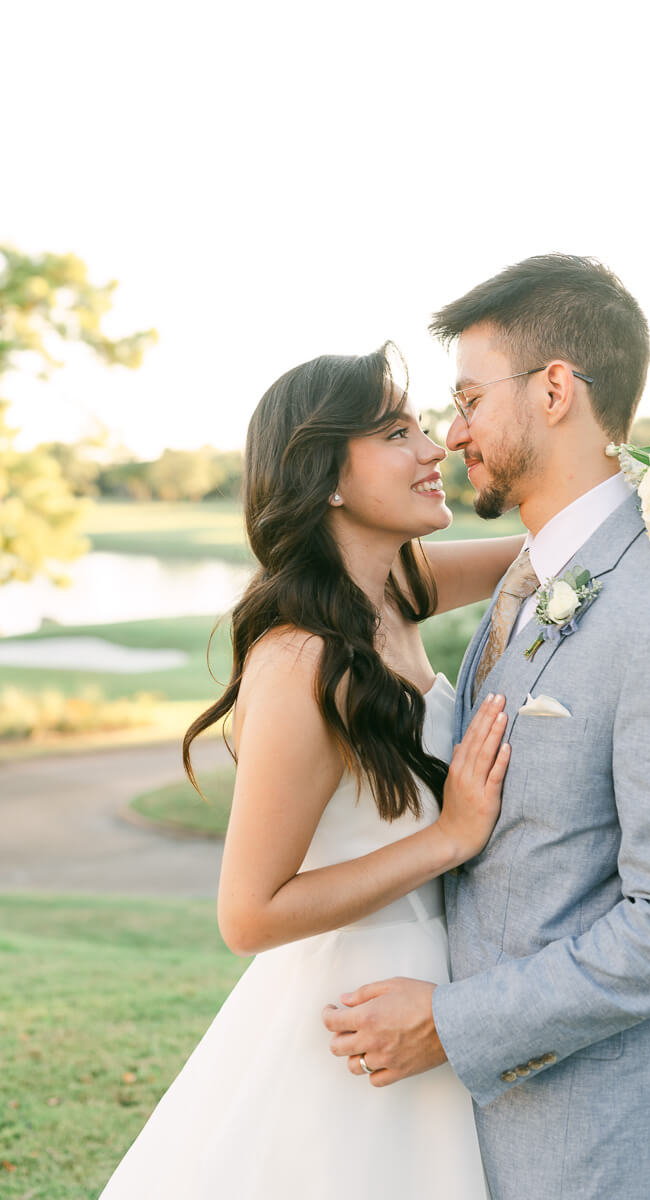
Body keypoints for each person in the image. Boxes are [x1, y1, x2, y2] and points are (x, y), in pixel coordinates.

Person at [323, 255, 650, 1200]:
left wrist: (453, 1022)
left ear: (555, 389)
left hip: (614, 1150)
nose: (453, 430)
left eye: (470, 397)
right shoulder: (530, 576)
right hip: (489, 1141)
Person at [98, 344, 526, 1199]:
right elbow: (249, 915)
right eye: (398, 432)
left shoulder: (397, 590)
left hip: (432, 988)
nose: (434, 447)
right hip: (353, 1007)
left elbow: (551, 548)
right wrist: (449, 838)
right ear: (327, 476)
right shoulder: (301, 664)